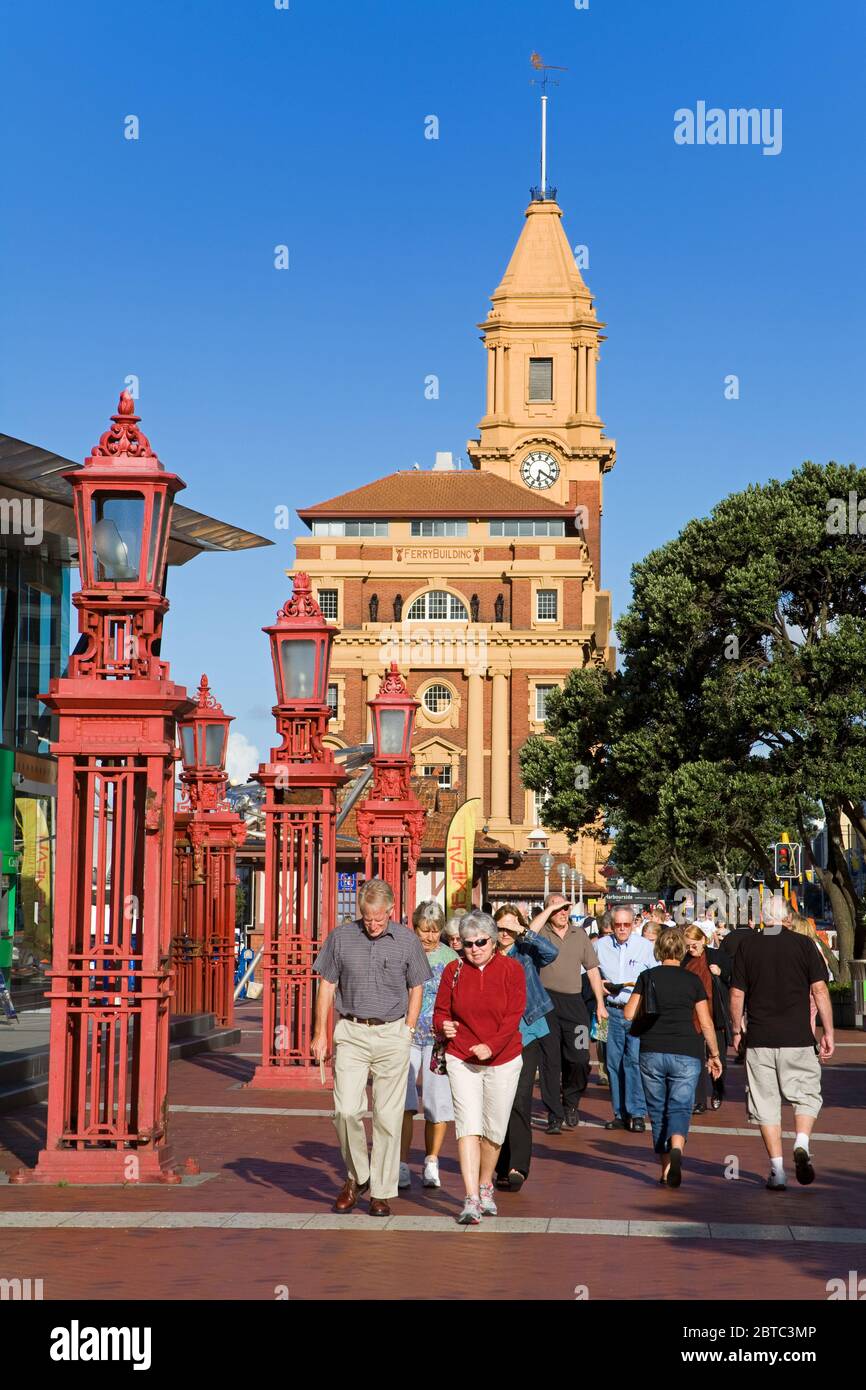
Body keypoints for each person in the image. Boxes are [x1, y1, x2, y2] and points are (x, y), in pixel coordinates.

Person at [311, 879, 432, 1216]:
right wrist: (321, 1033)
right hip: (351, 1030)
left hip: (392, 1032)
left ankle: (380, 1190)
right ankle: (359, 1175)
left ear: (391, 911)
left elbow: (417, 986)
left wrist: (408, 1029)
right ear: (359, 912)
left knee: (388, 1116)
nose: (374, 925)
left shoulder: (407, 940)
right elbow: (326, 986)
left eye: (380, 918)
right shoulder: (341, 937)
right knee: (346, 1110)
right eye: (368, 918)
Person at [729, 897, 834, 1191]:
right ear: (787, 918)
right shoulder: (804, 945)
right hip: (798, 1038)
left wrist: (737, 1031)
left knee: (765, 1105)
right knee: (807, 1096)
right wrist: (828, 1031)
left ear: (763, 918)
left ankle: (777, 1171)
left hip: (760, 1039)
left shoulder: (747, 946)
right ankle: (801, 1142)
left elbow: (737, 994)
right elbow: (820, 990)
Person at [433, 910, 526, 1225]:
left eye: (480, 942)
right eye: (468, 943)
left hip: (504, 1058)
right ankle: (471, 1197)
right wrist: (443, 1026)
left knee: (494, 1129)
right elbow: (440, 1011)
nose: (473, 949)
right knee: (468, 1127)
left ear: (495, 940)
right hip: (462, 1057)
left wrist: (493, 1046)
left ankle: (486, 1183)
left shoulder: (512, 969)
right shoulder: (453, 970)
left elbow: (515, 1015)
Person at [624, 928, 723, 1186]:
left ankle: (667, 1169)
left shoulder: (647, 977)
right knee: (680, 1106)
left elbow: (628, 1013)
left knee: (657, 1111)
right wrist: (714, 1054)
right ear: (681, 950)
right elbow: (706, 1022)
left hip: (652, 1050)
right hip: (687, 1051)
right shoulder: (693, 981)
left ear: (658, 950)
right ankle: (678, 1147)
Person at [492, 906, 559, 1191]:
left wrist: (524, 932)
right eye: (501, 929)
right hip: (494, 1035)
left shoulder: (525, 951)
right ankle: (500, 1163)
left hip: (526, 1031)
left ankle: (518, 1165)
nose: (505, 934)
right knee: (496, 1101)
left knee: (519, 1098)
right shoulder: (486, 953)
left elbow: (551, 953)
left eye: (511, 928)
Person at [531, 894, 607, 1134]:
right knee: (550, 1062)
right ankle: (555, 1114)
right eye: (557, 909)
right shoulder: (541, 933)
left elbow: (593, 970)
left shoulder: (580, 935)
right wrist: (548, 910)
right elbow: (528, 933)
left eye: (565, 908)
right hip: (547, 1004)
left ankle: (571, 1102)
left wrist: (600, 1003)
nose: (563, 912)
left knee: (581, 1057)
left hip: (575, 1005)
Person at [399, 900, 457, 1191]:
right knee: (405, 1103)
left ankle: (432, 1160)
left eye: (435, 931)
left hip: (437, 1040)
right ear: (415, 927)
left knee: (437, 1103)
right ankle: (401, 1163)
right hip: (406, 1035)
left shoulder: (450, 959)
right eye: (424, 930)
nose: (429, 936)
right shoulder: (405, 953)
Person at [595, 907, 656, 1131]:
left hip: (635, 1011)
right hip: (610, 1010)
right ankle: (619, 1113)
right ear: (612, 925)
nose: (622, 929)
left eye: (626, 925)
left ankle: (637, 1113)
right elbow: (588, 973)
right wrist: (599, 985)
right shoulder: (600, 946)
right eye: (618, 925)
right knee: (612, 1063)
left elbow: (655, 976)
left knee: (634, 1061)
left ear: (633, 924)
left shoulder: (645, 947)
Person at [681, 926, 732, 1113]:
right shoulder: (684, 961)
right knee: (696, 1059)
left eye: (694, 945)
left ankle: (718, 1089)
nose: (691, 950)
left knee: (719, 1058)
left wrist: (721, 972)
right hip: (693, 1015)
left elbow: (733, 977)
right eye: (687, 947)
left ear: (703, 940)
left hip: (714, 1014)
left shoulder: (717, 956)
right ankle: (699, 1101)